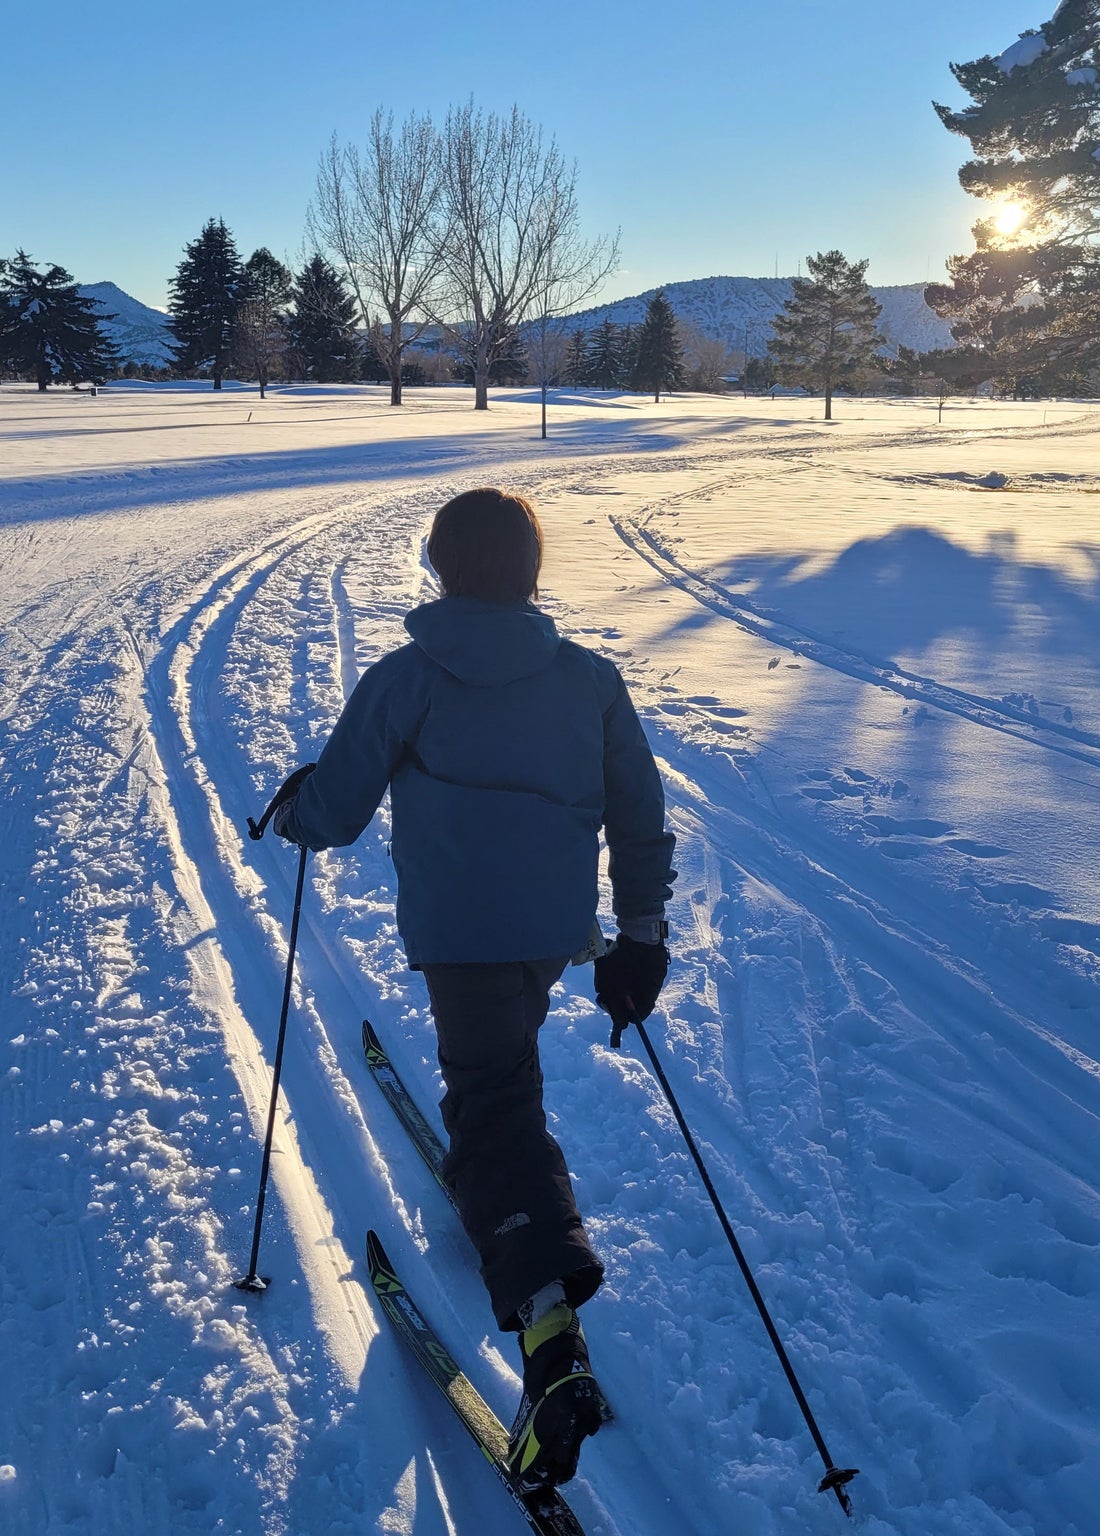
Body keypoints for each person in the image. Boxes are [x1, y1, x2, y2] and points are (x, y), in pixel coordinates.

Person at [271, 486, 676, 1491]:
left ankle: (549, 1338)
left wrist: (293, 814)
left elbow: (339, 805)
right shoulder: (589, 679)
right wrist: (642, 938)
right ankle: (505, 1189)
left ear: (442, 568)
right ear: (531, 571)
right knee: (504, 1070)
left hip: (461, 933)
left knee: (493, 1099)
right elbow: (639, 814)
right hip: (550, 933)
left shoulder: (408, 676)